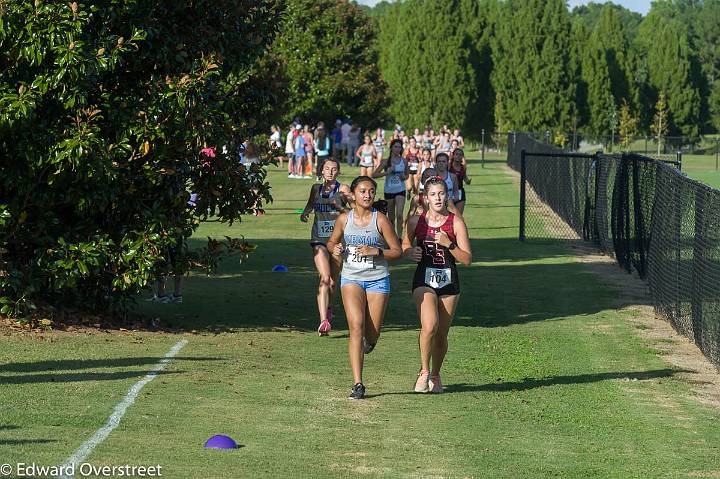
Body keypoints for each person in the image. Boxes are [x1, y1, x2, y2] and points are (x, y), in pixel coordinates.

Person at [326, 176, 402, 400]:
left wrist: (376, 251)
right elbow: (331, 242)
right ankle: (358, 383)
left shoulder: (381, 221)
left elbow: (397, 251)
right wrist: (335, 249)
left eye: (371, 191)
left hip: (378, 278)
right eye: (362, 191)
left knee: (371, 332)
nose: (367, 195)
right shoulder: (343, 219)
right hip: (351, 278)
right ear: (354, 194)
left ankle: (372, 341)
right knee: (356, 327)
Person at [403, 176, 472, 394]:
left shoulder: (456, 222)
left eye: (441, 193)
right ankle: (423, 372)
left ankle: (436, 374)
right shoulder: (416, 221)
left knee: (441, 333)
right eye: (433, 194)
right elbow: (404, 242)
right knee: (430, 326)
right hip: (423, 278)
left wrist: (449, 244)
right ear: (425, 197)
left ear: (447, 195)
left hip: (449, 281)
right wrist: (409, 251)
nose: (438, 198)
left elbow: (467, 259)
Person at [300, 159, 352, 335]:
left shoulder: (343, 189)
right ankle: (323, 321)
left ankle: (328, 307)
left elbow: (355, 212)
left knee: (333, 282)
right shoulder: (316, 189)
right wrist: (305, 213)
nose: (330, 172)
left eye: (334, 169)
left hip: (337, 241)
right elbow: (310, 205)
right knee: (325, 278)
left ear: (338, 172)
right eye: (327, 169)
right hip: (319, 240)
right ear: (321, 171)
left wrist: (340, 206)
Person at [372, 139, 409, 240]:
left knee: (400, 214)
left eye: (399, 147)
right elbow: (374, 175)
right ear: (391, 147)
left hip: (400, 190)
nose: (397, 149)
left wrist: (403, 177)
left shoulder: (404, 161)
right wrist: (386, 173)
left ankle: (400, 237)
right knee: (391, 217)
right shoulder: (385, 161)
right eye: (395, 146)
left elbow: (407, 175)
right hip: (389, 191)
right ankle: (392, 238)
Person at [449, 148, 471, 214]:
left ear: (462, 157)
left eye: (460, 155)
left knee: (459, 215)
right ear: (453, 155)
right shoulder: (449, 166)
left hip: (460, 191)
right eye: (456, 154)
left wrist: (468, 181)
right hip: (449, 191)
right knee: (450, 215)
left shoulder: (463, 167)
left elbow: (464, 177)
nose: (458, 156)